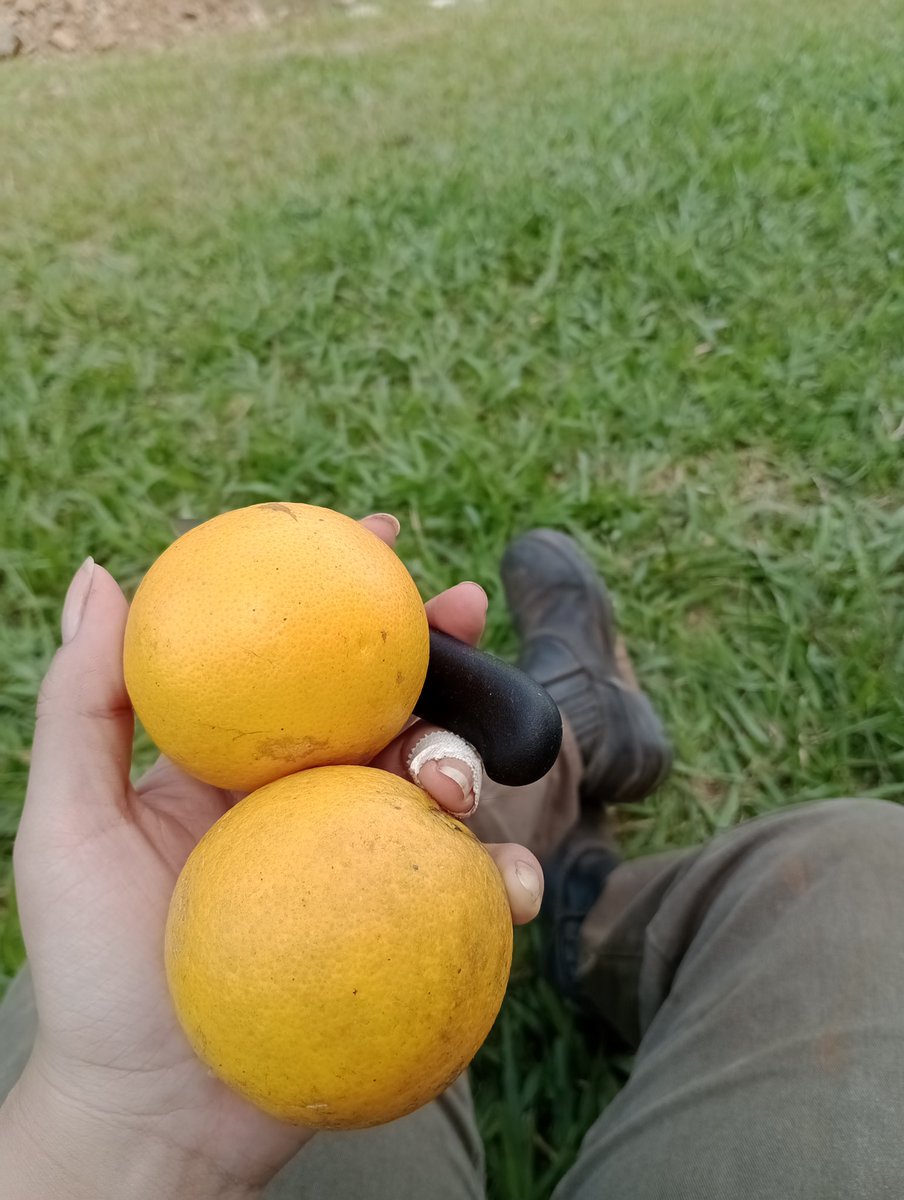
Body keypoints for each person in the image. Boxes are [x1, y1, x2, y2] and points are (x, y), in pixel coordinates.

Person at [1, 517, 902, 1199]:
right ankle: (584, 777)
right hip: (313, 1029)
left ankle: (580, 842)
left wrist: (115, 1121)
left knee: (50, 992)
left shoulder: (131, 998)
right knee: (866, 870)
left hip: (161, 1118)